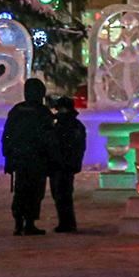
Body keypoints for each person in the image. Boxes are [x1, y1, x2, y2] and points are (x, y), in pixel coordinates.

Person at [1, 77, 52, 236]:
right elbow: (50, 137)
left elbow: (7, 135)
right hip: (36, 159)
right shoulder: (43, 112)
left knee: (21, 191)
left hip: (20, 158)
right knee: (34, 192)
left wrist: (8, 157)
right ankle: (28, 223)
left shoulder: (17, 110)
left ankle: (19, 223)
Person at [47, 95, 86, 233]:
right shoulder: (72, 125)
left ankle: (67, 224)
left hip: (63, 165)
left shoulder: (68, 125)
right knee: (61, 195)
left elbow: (72, 147)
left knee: (62, 195)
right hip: (61, 165)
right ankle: (66, 222)